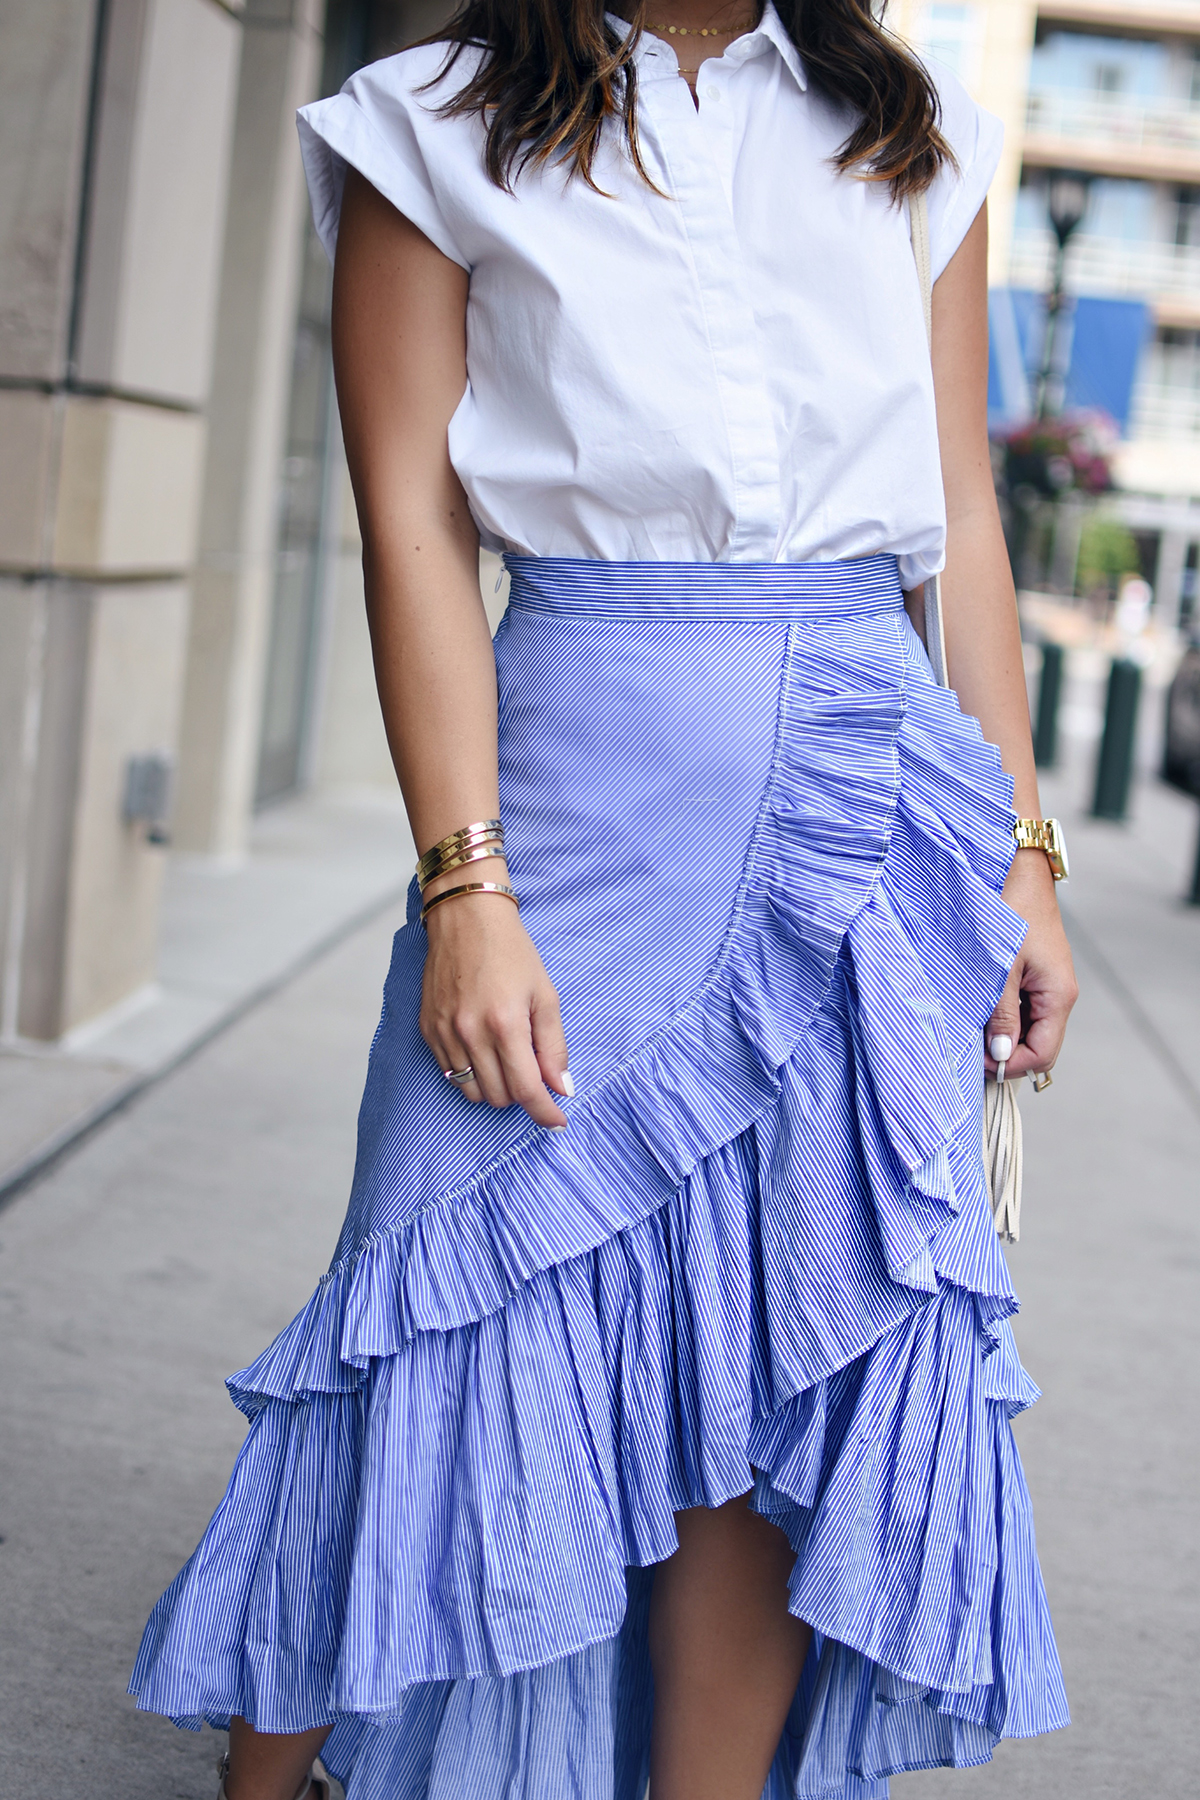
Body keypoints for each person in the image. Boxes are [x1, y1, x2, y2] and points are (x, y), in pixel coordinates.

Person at [130, 1, 1078, 1795]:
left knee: (785, 1341)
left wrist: (1024, 855)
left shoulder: (912, 128)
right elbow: (411, 518)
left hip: (870, 799)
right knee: (432, 1297)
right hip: (575, 790)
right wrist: (465, 885)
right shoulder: (428, 127)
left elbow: (960, 506)